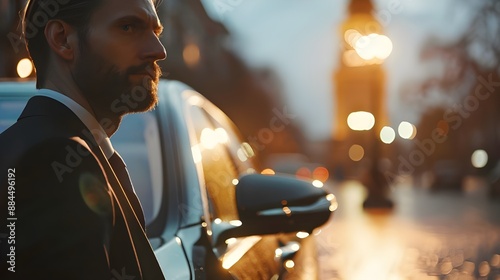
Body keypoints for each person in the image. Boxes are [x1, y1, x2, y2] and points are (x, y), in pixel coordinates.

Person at [0, 0, 167, 279]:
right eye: (128, 27)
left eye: (155, 32)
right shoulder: (55, 157)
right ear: (62, 39)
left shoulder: (29, 146)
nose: (158, 51)